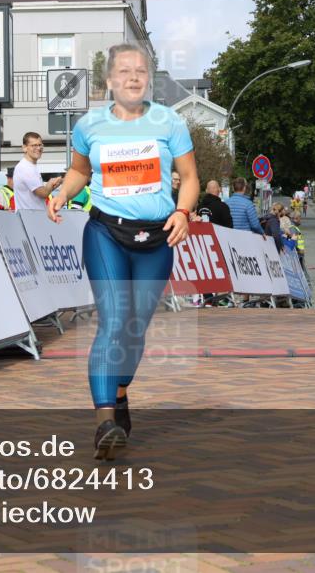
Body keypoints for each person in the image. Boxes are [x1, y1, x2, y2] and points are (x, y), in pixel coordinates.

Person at [47, 43, 198, 460]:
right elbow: (79, 170)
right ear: (110, 80)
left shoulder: (170, 121)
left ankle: (120, 394)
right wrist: (62, 193)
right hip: (106, 233)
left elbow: (188, 177)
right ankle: (103, 421)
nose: (133, 77)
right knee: (112, 321)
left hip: (157, 240)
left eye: (141, 71)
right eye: (125, 71)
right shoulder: (89, 125)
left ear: (149, 78)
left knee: (134, 328)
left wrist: (184, 211)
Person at [13, 132, 62, 210]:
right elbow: (43, 193)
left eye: (40, 145)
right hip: (30, 218)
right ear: (24, 148)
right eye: (34, 145)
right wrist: (51, 183)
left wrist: (53, 185)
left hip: (32, 217)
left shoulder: (29, 166)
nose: (38, 148)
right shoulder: (26, 168)